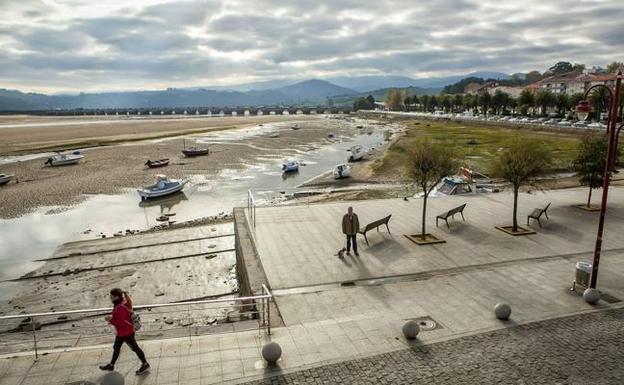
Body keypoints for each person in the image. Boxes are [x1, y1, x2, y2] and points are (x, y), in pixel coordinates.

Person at [99, 288, 150, 375]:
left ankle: (145, 364)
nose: (110, 298)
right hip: (123, 332)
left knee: (134, 348)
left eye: (111, 296)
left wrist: (110, 320)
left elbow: (121, 323)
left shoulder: (120, 307)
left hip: (126, 333)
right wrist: (112, 318)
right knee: (116, 347)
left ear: (116, 297)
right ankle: (111, 365)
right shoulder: (119, 304)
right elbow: (121, 318)